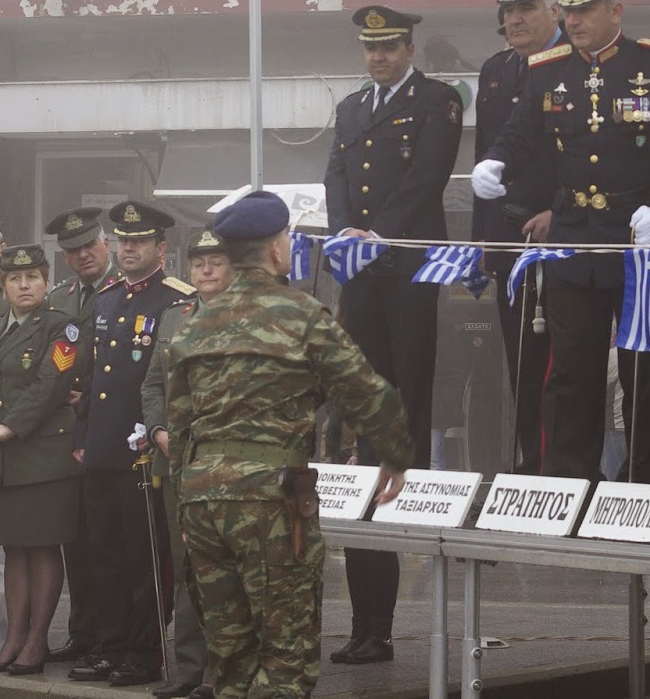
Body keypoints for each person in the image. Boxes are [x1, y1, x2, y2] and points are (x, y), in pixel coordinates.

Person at [164, 191, 412, 699]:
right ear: (278, 249)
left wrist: (187, 502)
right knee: (285, 659)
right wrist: (396, 455)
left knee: (229, 656)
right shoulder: (301, 315)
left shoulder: (193, 326)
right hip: (269, 500)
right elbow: (367, 392)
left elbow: (180, 422)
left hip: (202, 500)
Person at [473, 0, 650, 486]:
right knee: (570, 373)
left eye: (584, 10)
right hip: (575, 237)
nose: (574, 21)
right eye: (568, 10)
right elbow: (520, 134)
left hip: (638, 237)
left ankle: (642, 485)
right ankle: (569, 483)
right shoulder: (547, 70)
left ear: (616, 10)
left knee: (643, 371)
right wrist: (494, 162)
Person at [323, 4, 462, 664]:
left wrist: (381, 234)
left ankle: (405, 466)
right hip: (362, 268)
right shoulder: (351, 108)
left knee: (407, 383)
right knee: (360, 384)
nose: (377, 57)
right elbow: (336, 174)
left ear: (409, 48)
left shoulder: (437, 101)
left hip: (406, 262)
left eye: (388, 47)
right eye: (369, 48)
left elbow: (426, 177)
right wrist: (346, 232)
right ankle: (366, 454)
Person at [68, 200, 193, 688]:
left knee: (145, 557)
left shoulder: (175, 301)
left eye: (139, 242)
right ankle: (109, 645)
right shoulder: (107, 298)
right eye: (124, 241)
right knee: (104, 552)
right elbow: (92, 377)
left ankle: (143, 651)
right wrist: (82, 436)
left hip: (143, 449)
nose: (129, 249)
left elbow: (163, 381)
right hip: (102, 446)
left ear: (161, 248)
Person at [0, 244, 82, 676]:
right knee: (13, 547)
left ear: (46, 282)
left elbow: (51, 385)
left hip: (42, 456)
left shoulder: (62, 328)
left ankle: (37, 640)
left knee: (42, 546)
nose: (23, 285)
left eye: (32, 277)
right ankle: (14, 636)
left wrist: (9, 426)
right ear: (4, 284)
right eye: (14, 278)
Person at [471, 0, 561, 475]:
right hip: (508, 234)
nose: (516, 19)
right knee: (521, 358)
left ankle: (563, 466)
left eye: (527, 8)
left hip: (563, 231)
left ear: (555, 11)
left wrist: (560, 211)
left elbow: (590, 155)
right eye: (509, 11)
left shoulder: (574, 64)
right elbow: (486, 158)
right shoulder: (496, 69)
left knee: (562, 362)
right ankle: (533, 461)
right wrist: (483, 238)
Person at [141, 227, 232, 699]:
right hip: (175, 461)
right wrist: (159, 430)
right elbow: (152, 384)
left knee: (224, 568)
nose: (207, 270)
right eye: (199, 263)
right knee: (186, 566)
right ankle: (190, 669)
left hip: (226, 464)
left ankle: (223, 669)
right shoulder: (174, 316)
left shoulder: (245, 316)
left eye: (216, 261)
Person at [40, 205, 121, 667]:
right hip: (65, 431)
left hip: (107, 430)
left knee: (108, 542)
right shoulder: (61, 297)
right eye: (73, 250)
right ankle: (83, 631)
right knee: (75, 540)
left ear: (106, 244)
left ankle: (113, 636)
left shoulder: (125, 289)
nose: (83, 255)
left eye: (89, 245)